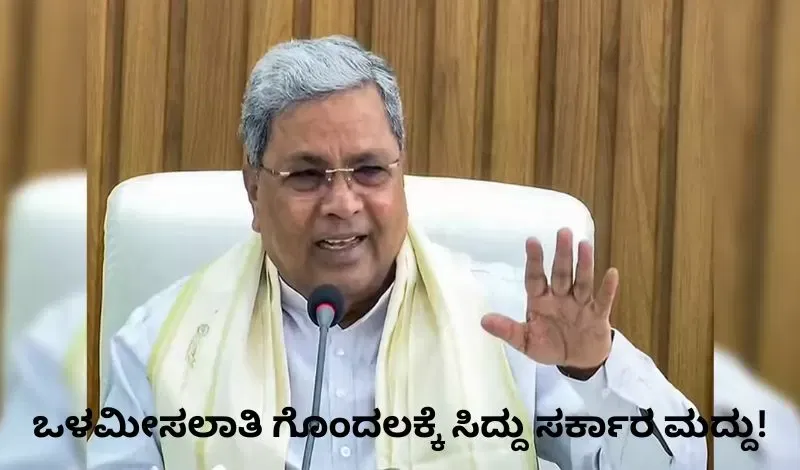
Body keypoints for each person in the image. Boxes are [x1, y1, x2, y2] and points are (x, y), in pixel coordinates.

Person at [87, 35, 706, 469]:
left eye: (368, 170)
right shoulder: (161, 343)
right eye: (307, 175)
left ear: (401, 178)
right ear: (254, 192)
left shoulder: (509, 328)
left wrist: (594, 370)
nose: (342, 203)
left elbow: (676, 462)